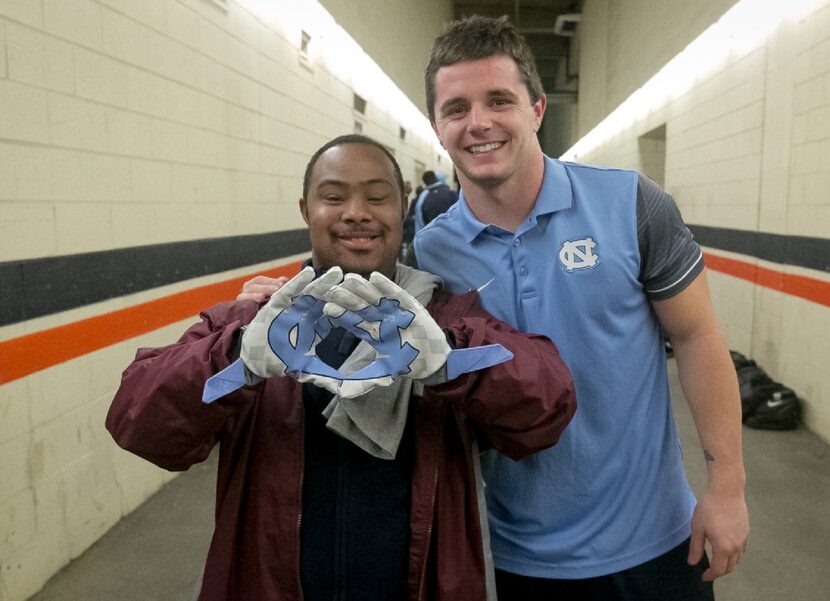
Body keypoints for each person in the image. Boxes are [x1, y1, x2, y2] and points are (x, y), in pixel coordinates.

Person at [106, 133, 576, 601]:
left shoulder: (445, 318)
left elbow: (547, 405)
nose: (356, 212)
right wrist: (236, 362)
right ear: (306, 210)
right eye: (333, 197)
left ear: (402, 207)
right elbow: (138, 421)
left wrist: (451, 362)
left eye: (377, 196)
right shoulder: (254, 323)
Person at [414, 15, 749, 601]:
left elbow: (696, 338)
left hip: (658, 542)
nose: (479, 123)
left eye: (499, 100)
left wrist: (727, 489)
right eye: (457, 108)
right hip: (520, 555)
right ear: (437, 126)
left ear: (538, 109)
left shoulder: (631, 204)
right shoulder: (429, 254)